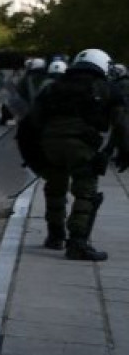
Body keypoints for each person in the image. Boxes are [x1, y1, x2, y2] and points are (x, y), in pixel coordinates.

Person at [25, 49, 129, 260]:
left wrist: (34, 153)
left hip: (49, 145)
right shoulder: (107, 88)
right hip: (80, 146)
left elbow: (32, 121)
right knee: (86, 192)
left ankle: (55, 236)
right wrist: (121, 151)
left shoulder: (52, 87)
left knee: (55, 189)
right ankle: (78, 243)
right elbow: (121, 124)